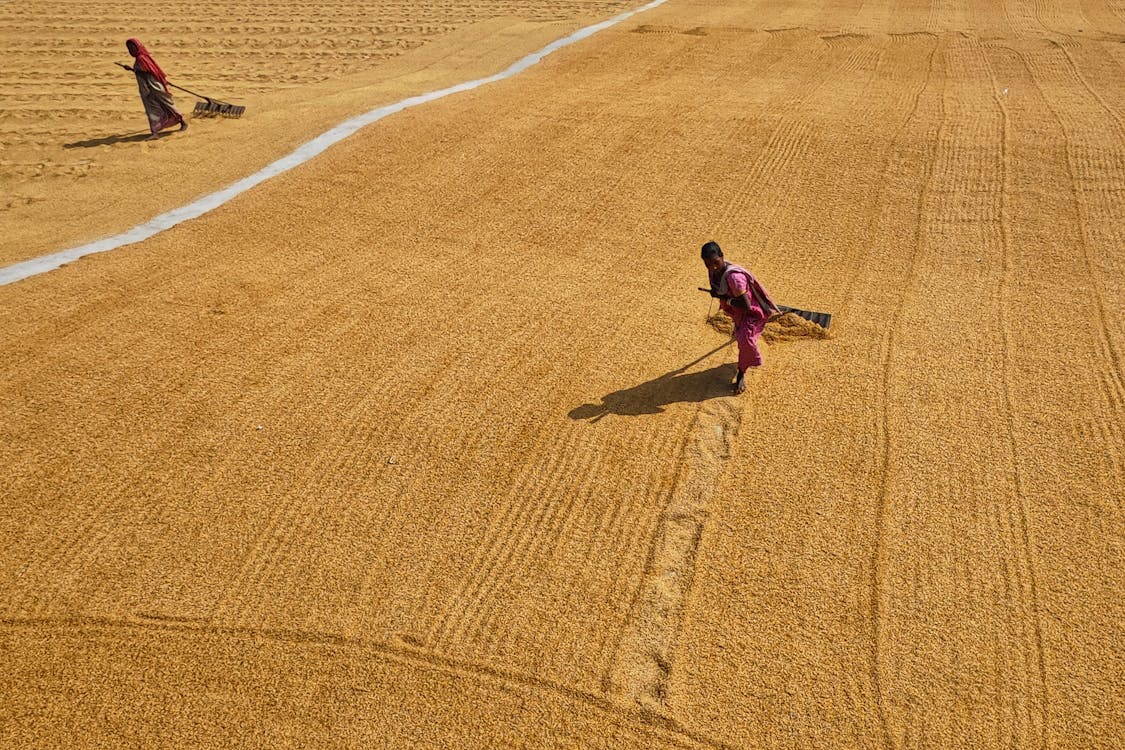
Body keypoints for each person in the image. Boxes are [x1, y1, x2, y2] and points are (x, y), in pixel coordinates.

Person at [701, 240, 780, 394]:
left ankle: (741, 373)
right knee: (741, 334)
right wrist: (716, 293)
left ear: (722, 257)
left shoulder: (734, 279)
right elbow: (718, 290)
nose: (713, 268)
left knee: (746, 341)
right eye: (708, 264)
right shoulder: (713, 271)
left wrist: (725, 299)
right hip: (737, 312)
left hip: (752, 312)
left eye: (716, 263)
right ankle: (741, 337)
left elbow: (746, 305)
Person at [125, 38, 187, 139]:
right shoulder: (143, 57)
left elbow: (147, 71)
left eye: (132, 48)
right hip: (149, 88)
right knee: (158, 107)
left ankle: (178, 124)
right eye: (129, 49)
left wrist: (133, 70)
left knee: (163, 105)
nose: (131, 50)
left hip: (153, 87)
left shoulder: (141, 58)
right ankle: (156, 131)